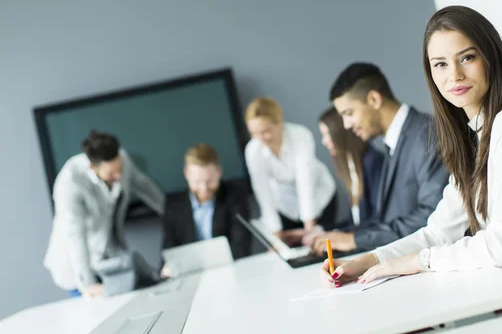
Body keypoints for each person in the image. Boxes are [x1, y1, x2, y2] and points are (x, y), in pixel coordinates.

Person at [320, 6, 502, 334]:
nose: (453, 75)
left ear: (490, 58)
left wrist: (418, 261)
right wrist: (369, 261)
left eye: (466, 57)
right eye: (440, 64)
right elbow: (438, 231)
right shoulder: (475, 135)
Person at [310, 62, 449, 255]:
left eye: (348, 113)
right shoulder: (394, 141)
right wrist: (339, 235)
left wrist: (353, 240)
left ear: (374, 100)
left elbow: (433, 216)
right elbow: (387, 218)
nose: (346, 125)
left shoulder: (427, 134)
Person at [44, 130, 165, 298]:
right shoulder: (69, 183)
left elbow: (144, 186)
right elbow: (75, 236)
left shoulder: (121, 158)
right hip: (76, 264)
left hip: (109, 256)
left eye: (119, 170)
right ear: (92, 167)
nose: (118, 176)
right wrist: (88, 284)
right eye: (110, 174)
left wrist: (172, 213)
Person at [244, 97, 337, 242]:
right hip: (286, 205)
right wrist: (275, 235)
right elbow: (263, 193)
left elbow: (305, 182)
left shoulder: (300, 135)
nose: (260, 138)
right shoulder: (253, 150)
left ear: (279, 122)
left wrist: (309, 228)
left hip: (319, 196)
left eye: (265, 131)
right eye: (254, 133)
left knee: (320, 243)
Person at [161, 143, 251, 277]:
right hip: (190, 276)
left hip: (230, 272)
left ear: (219, 172)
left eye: (209, 181)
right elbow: (169, 249)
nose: (203, 189)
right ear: (186, 173)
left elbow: (241, 246)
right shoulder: (173, 205)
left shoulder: (234, 198)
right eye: (197, 182)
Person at [315, 107, 383, 228]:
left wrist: (336, 235)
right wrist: (321, 231)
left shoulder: (373, 162)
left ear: (342, 133)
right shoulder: (351, 168)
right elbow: (354, 224)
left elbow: (376, 221)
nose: (324, 141)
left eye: (327, 135)